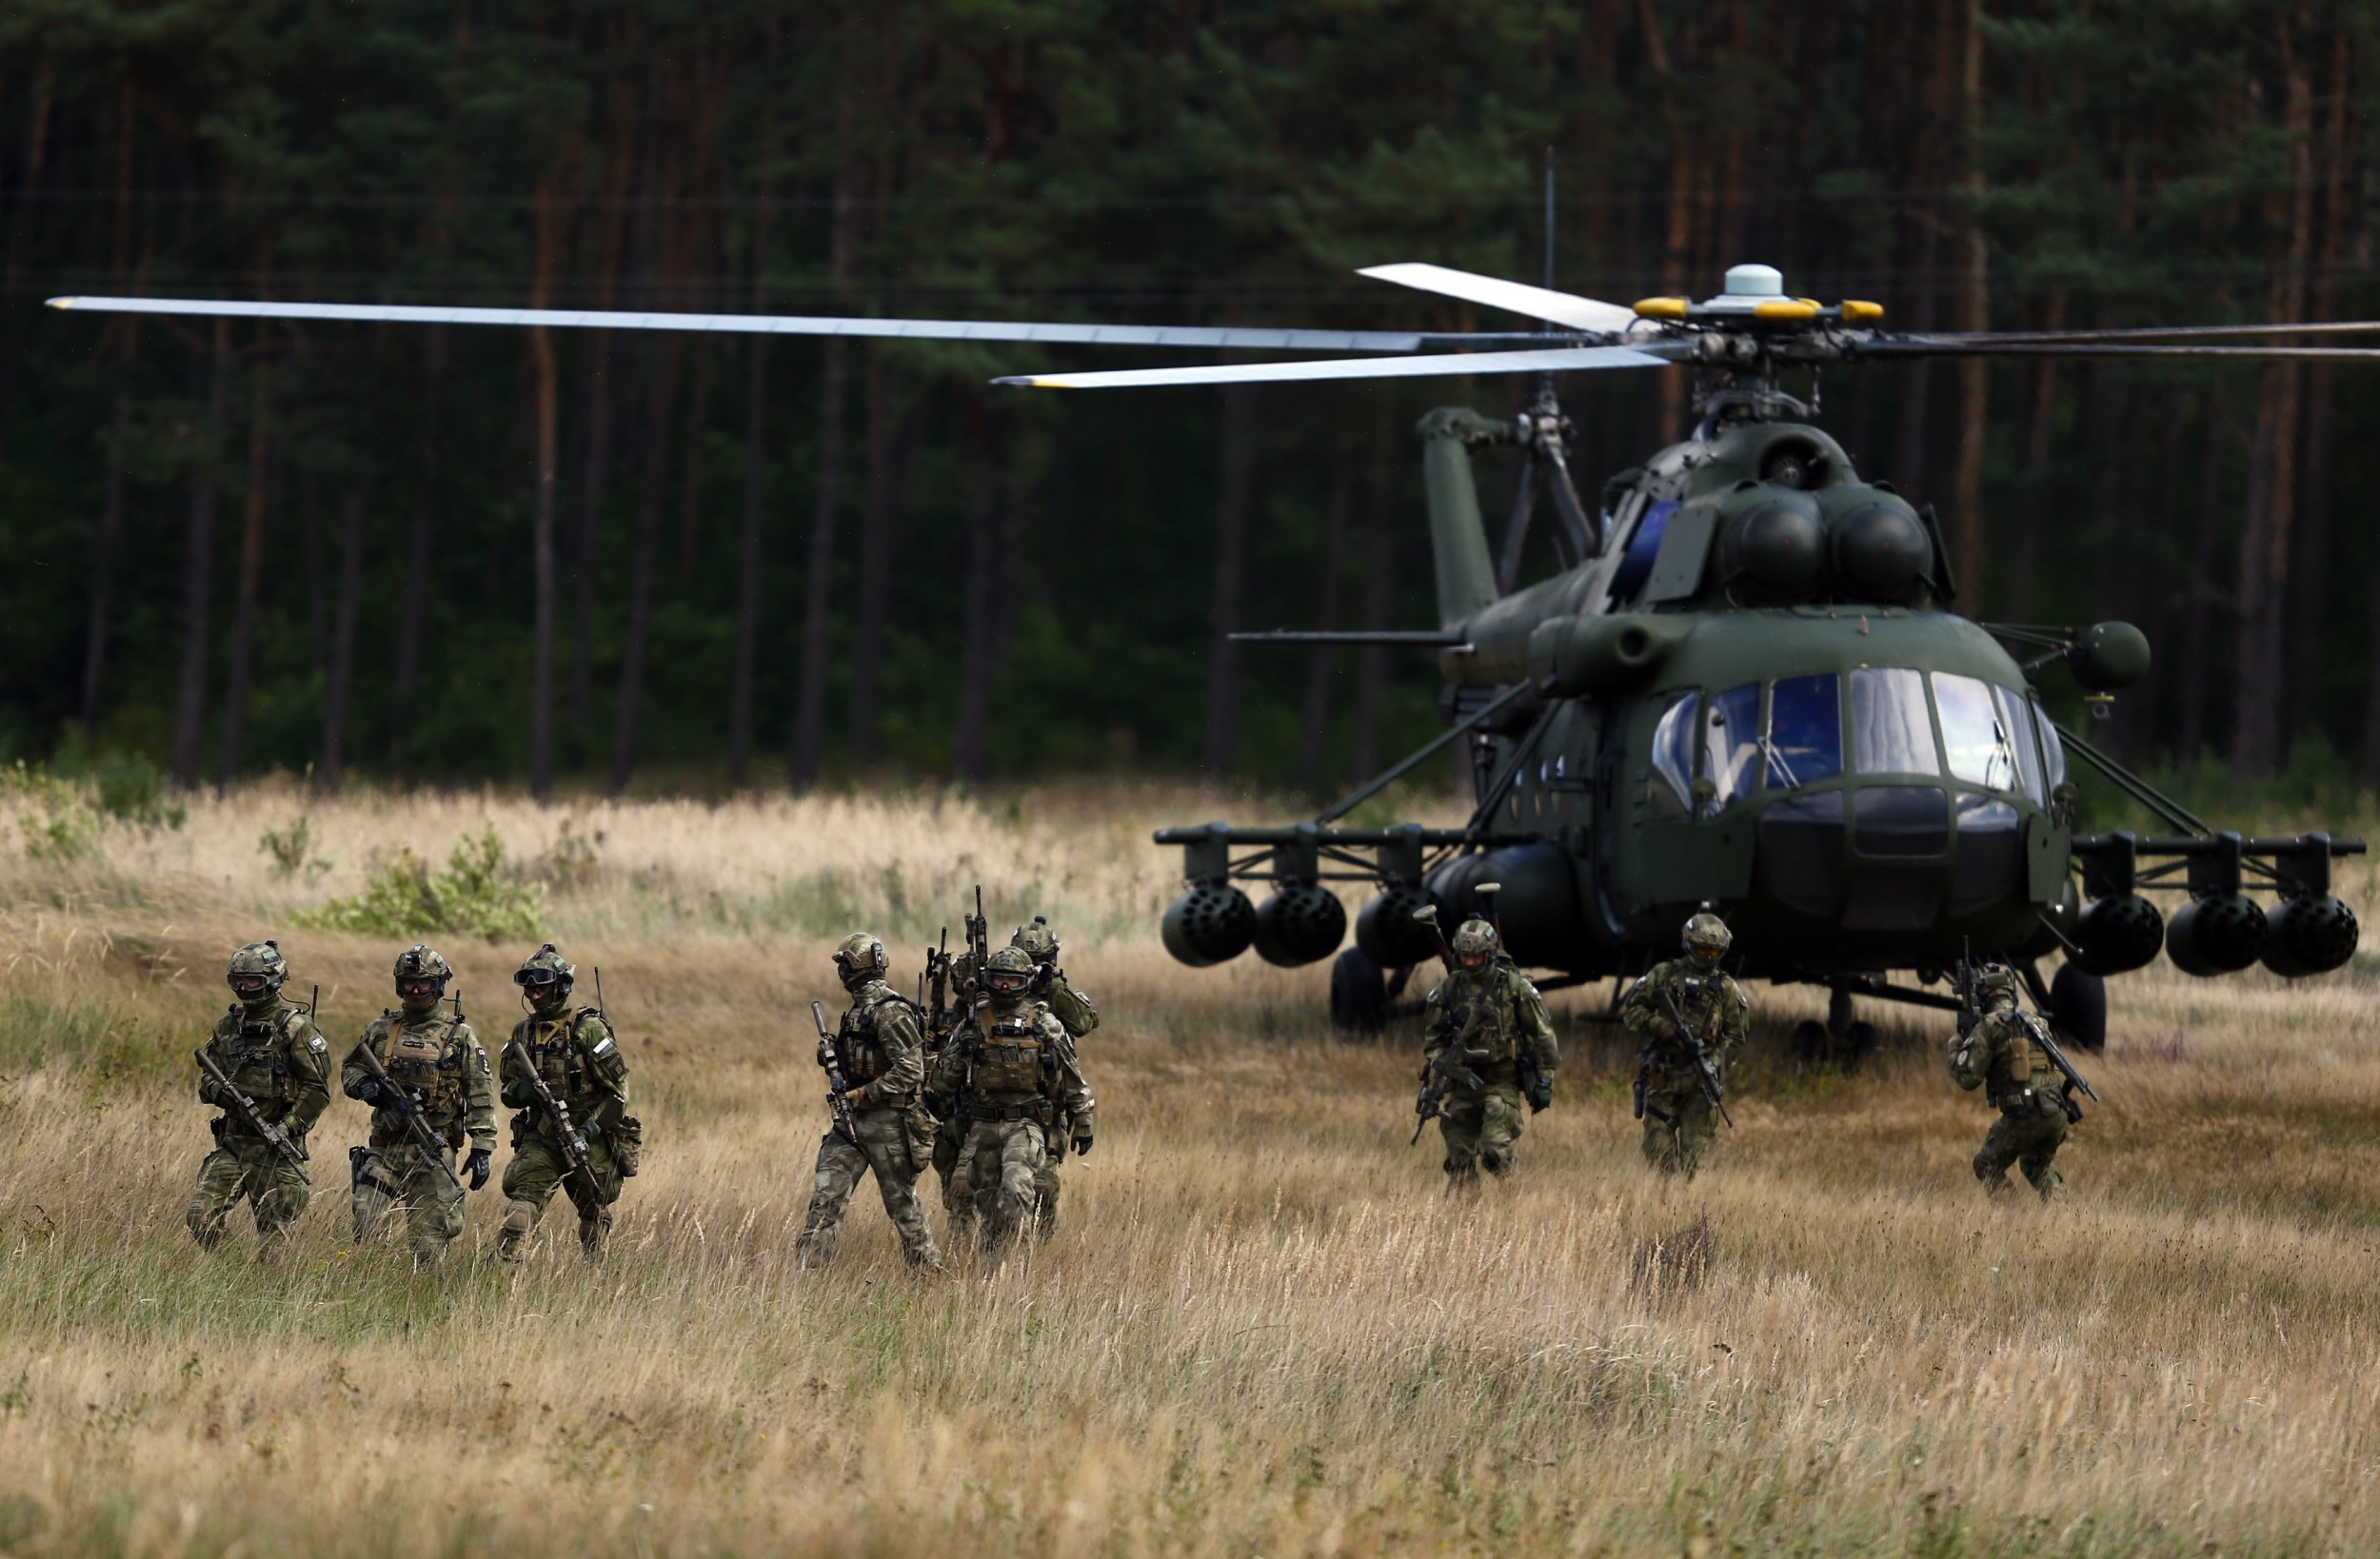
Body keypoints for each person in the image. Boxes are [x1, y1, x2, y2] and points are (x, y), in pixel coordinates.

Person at [926, 945, 1094, 1253]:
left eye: (1013, 980)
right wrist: (961, 1054)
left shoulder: (1044, 1022)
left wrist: (1083, 1119)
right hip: (982, 1126)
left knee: (1017, 1190)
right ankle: (991, 1274)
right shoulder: (974, 1021)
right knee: (988, 1203)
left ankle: (1018, 1271)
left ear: (1026, 982)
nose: (1005, 986)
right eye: (999, 979)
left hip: (1026, 1125)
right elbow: (941, 1084)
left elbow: (1073, 1076)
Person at [796, 934, 942, 1272]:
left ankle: (929, 1277)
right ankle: (806, 1277)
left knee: (903, 1208)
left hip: (888, 1123)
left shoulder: (890, 1011)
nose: (841, 973)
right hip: (850, 1125)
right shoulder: (859, 1011)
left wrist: (865, 1094)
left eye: (844, 965)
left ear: (858, 966)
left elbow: (911, 1070)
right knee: (825, 1201)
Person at [343, 944, 494, 1270]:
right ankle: (366, 1289)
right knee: (365, 1223)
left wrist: (482, 1148)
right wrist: (365, 1087)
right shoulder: (381, 1029)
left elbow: (480, 1093)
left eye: (423, 983)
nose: (414, 989)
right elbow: (351, 1069)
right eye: (408, 982)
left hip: (433, 1151)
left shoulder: (460, 1036)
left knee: (428, 1244)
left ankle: (423, 1296)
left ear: (438, 986)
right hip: (386, 1149)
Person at [495, 944, 638, 1262]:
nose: (534, 994)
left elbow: (619, 1094)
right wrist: (523, 1092)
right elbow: (506, 1089)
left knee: (595, 1209)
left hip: (589, 1133)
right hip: (543, 1135)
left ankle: (595, 1276)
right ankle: (501, 1275)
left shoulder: (588, 1029)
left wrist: (588, 1131)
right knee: (521, 1207)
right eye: (529, 987)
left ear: (561, 986)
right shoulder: (523, 1033)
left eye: (542, 986)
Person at [187, 940, 330, 1253]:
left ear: (273, 979)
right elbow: (207, 1077)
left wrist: (288, 1126)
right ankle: (230, 1271)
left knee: (273, 1247)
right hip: (234, 1144)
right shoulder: (228, 1026)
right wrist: (220, 1092)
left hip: (276, 1148)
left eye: (252, 980)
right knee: (200, 1216)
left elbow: (317, 1089)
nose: (244, 987)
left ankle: (263, 1290)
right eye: (238, 980)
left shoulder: (296, 1028)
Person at [1419, 912, 1557, 1191]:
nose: (1470, 962)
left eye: (1476, 957)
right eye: (1465, 956)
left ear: (1489, 954)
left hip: (1501, 1080)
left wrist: (1545, 1079)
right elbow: (1432, 1040)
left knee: (1494, 1152)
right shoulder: (1448, 990)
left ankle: (1516, 1198)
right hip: (1462, 1083)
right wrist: (1444, 1064)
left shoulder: (1513, 988)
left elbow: (1542, 1035)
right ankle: (1465, 1217)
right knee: (1458, 1159)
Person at [1618, 912, 1749, 1178]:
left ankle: (1688, 1207)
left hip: (1701, 1082)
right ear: (1689, 945)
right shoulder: (1663, 975)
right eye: (1703, 950)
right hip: (1663, 1076)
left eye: (1715, 952)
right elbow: (1631, 1012)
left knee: (1695, 1157)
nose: (1709, 957)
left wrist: (1712, 1063)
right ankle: (1664, 1203)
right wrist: (1660, 1026)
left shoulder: (1726, 989)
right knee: (1658, 1149)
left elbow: (1735, 1038)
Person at [1950, 963, 2076, 1201]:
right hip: (2055, 1110)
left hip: (2024, 1112)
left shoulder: (1989, 1026)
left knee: (1986, 1165)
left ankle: (2015, 1220)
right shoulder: (2037, 1022)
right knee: (2036, 1166)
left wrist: (1954, 1049)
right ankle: (2065, 1217)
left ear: (1984, 995)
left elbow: (1968, 1079)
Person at [1011, 917, 1097, 1237]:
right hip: (995, 1103)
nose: (1033, 970)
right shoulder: (996, 994)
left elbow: (1086, 1023)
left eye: (1040, 962)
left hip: (1046, 1103)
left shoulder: (1056, 994)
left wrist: (1054, 989)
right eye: (1027, 963)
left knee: (1043, 1186)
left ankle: (1038, 1245)